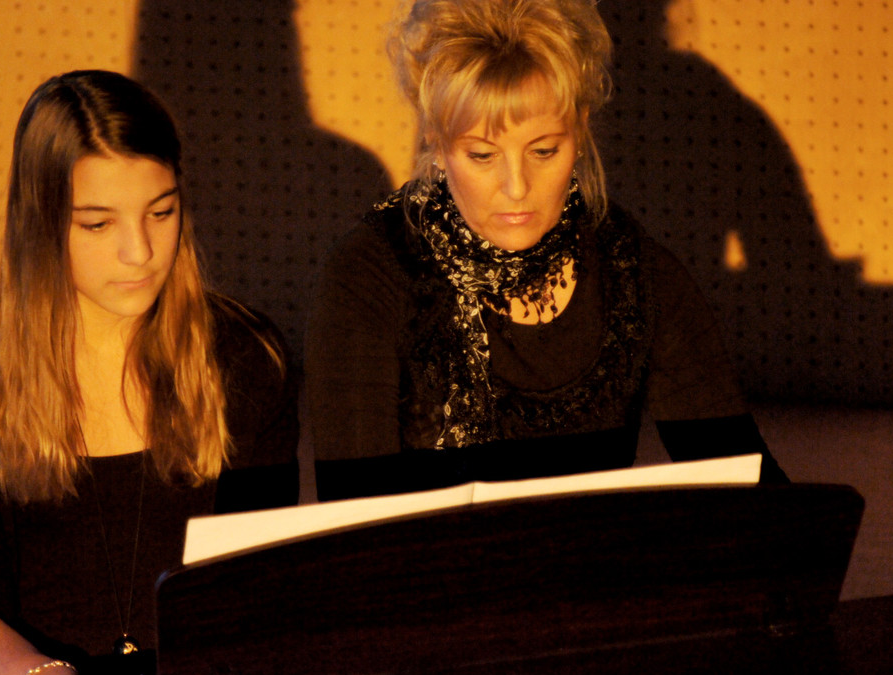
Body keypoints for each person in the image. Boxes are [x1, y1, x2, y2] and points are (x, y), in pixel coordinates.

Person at [305, 0, 787, 501]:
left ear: (580, 129)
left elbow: (752, 492)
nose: (517, 187)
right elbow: (356, 518)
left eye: (543, 151)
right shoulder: (369, 277)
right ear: (436, 138)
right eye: (482, 155)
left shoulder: (631, 270)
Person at [0, 70, 299, 675]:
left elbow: (261, 585)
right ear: (39, 220)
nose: (139, 251)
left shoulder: (246, 356)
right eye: (98, 224)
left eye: (161, 212)